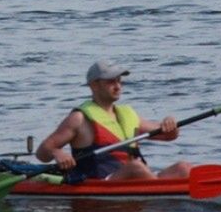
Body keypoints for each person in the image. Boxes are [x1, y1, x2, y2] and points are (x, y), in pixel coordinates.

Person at [36, 61, 191, 181]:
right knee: (135, 167)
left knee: (183, 168)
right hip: (102, 181)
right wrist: (57, 152)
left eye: (119, 81)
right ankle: (162, 199)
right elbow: (43, 151)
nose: (117, 86)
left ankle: (170, 192)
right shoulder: (79, 118)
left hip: (137, 178)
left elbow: (169, 135)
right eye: (111, 82)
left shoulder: (129, 114)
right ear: (94, 85)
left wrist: (171, 124)